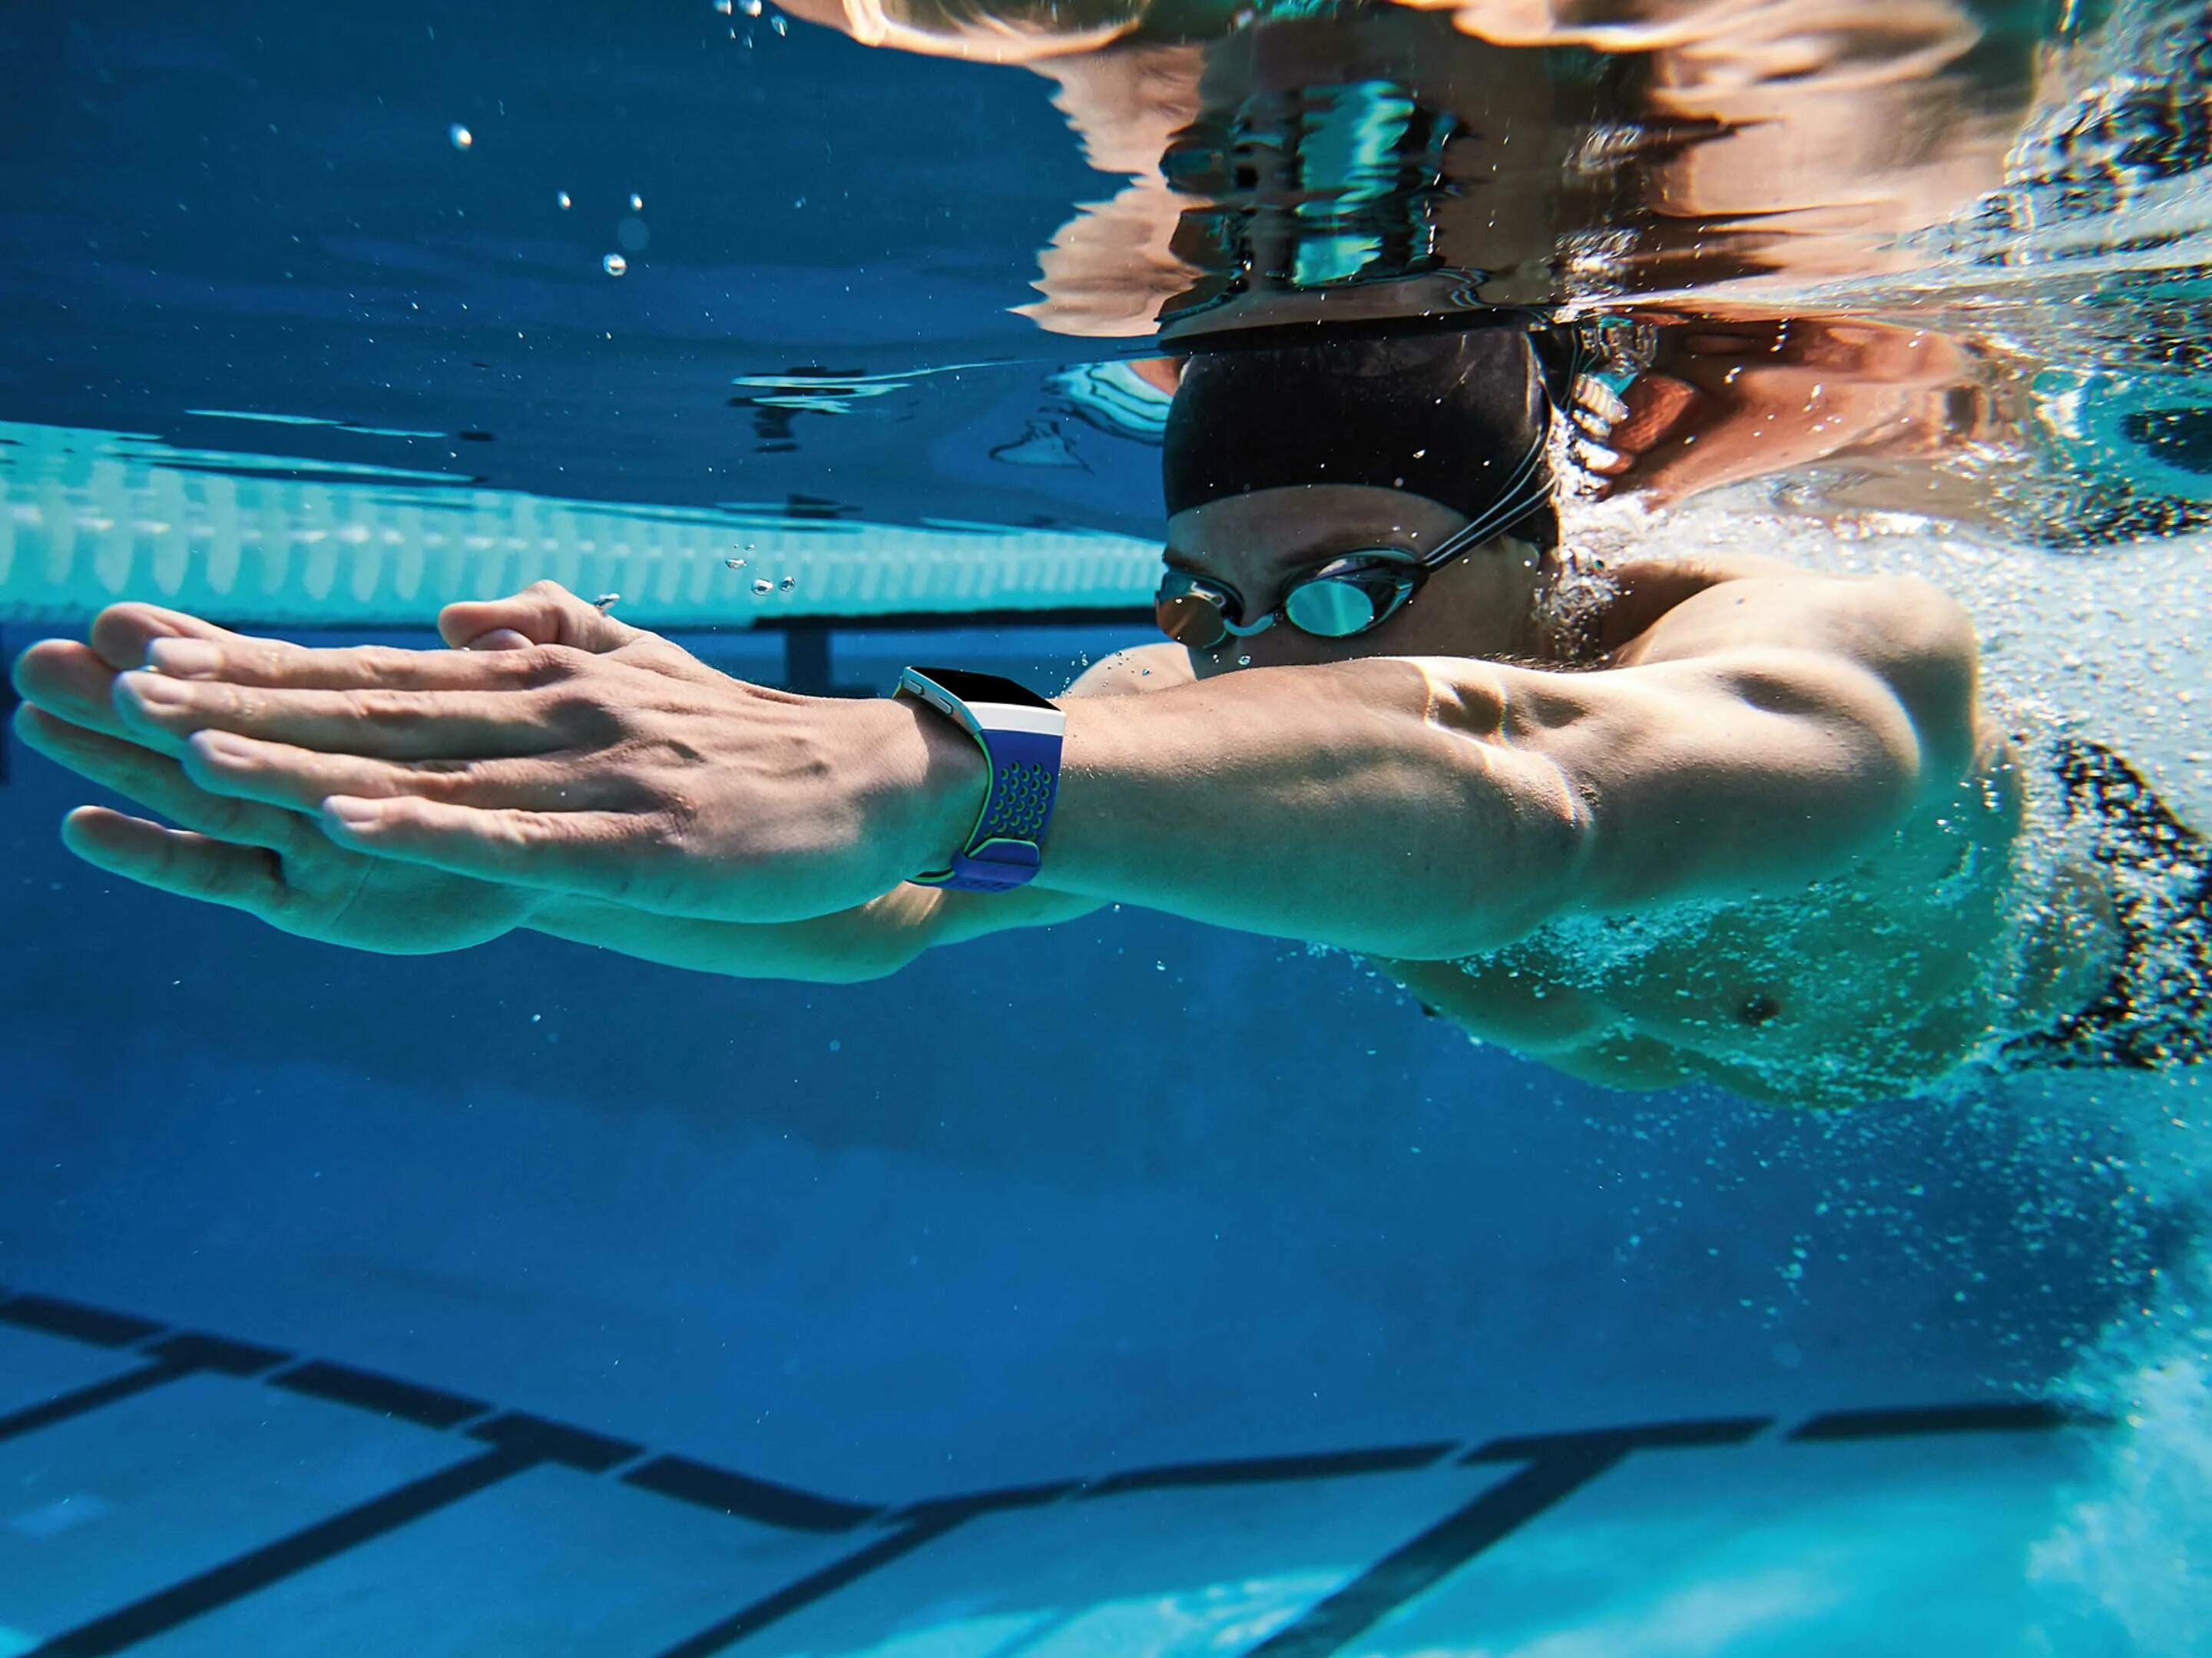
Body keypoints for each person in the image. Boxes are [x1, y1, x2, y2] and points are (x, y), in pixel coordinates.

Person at [11, 327, 2206, 1107]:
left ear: (1556, 559)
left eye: (1350, 588)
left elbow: (1544, 792)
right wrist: (507, 886)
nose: (1270, 661)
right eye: (1210, 601)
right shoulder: (1192, 725)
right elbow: (875, 911)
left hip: (2147, 964)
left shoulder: (1837, 654)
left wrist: (910, 753)